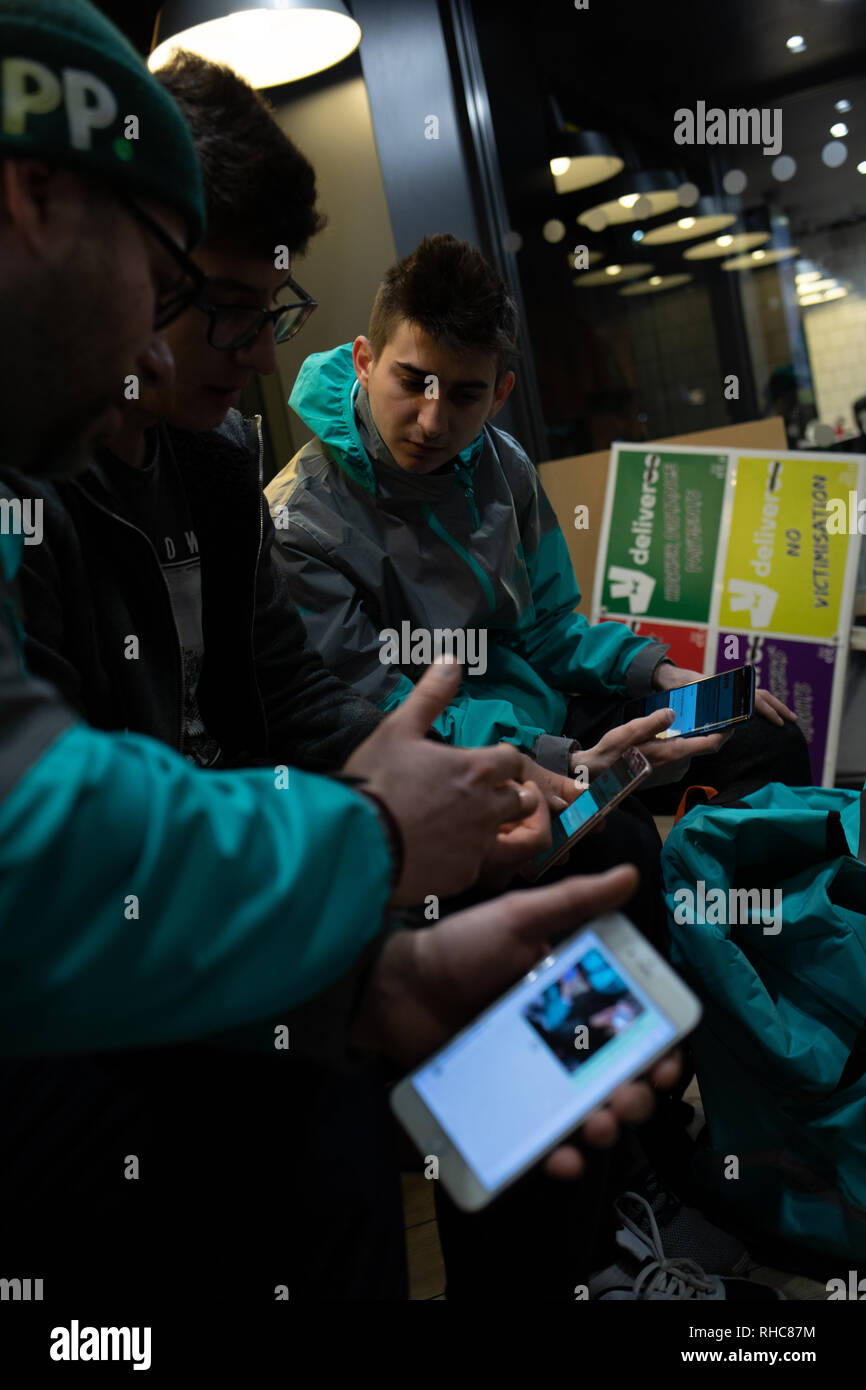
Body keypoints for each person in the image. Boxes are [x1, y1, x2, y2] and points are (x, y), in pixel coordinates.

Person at [0, 0, 678, 1308]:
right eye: (192, 297)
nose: (189, 347)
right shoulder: (187, 492)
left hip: (208, 885)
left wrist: (443, 832)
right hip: (108, 980)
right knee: (312, 1108)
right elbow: (53, 838)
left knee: (543, 921)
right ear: (35, 196)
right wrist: (373, 840)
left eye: (258, 309)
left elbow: (309, 711)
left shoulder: (208, 465)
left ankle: (579, 1245)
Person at [265, 233, 811, 809]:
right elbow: (379, 709)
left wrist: (656, 672)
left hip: (551, 713)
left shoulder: (506, 467)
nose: (431, 422)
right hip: (443, 761)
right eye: (412, 383)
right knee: (614, 840)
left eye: (463, 396)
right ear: (365, 362)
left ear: (499, 394)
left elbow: (546, 627)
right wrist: (561, 762)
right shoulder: (298, 525)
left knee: (762, 739)